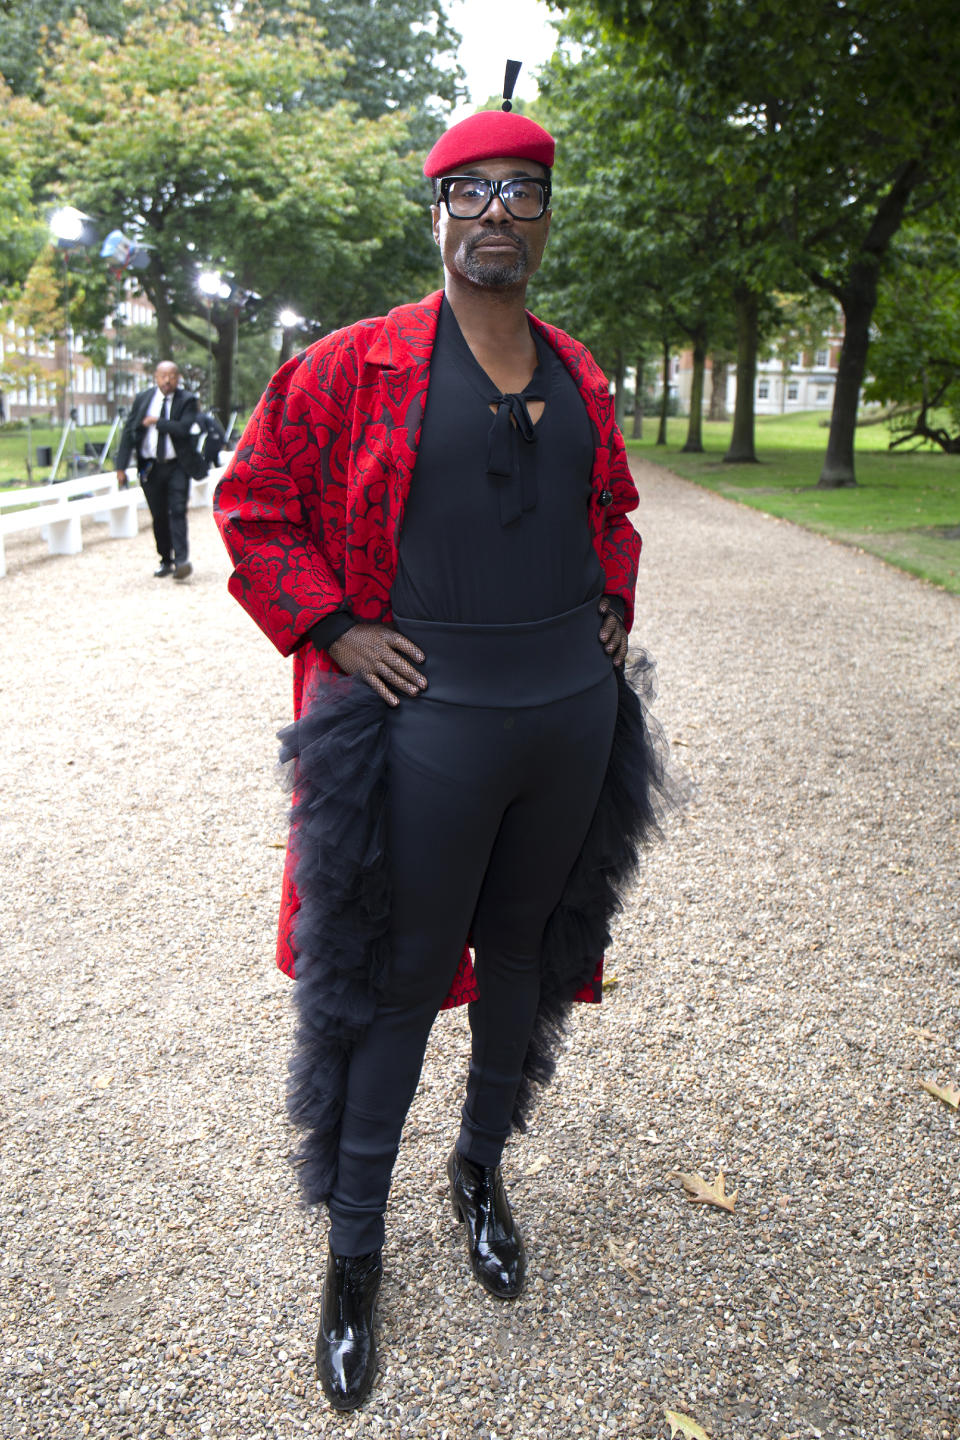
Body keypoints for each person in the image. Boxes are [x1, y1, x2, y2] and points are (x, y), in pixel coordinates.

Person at [214, 106, 666, 1412]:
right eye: (471, 193)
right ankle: (355, 1254)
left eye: (522, 193)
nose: (497, 215)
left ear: (545, 215)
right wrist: (337, 625)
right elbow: (253, 500)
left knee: (525, 956)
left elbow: (612, 510)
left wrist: (614, 605)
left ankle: (481, 1170)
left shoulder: (579, 373)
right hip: (431, 726)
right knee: (400, 981)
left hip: (568, 719)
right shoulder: (354, 365)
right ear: (437, 211)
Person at [117, 361, 199, 579]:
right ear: (155, 377)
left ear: (178, 377)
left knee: (178, 511)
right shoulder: (144, 399)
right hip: (150, 467)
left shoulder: (187, 400)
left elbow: (183, 429)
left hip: (177, 466)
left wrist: (157, 422)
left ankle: (182, 561)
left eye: (171, 376)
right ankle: (166, 559)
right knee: (159, 515)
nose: (167, 380)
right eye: (163, 376)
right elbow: (129, 431)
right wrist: (121, 466)